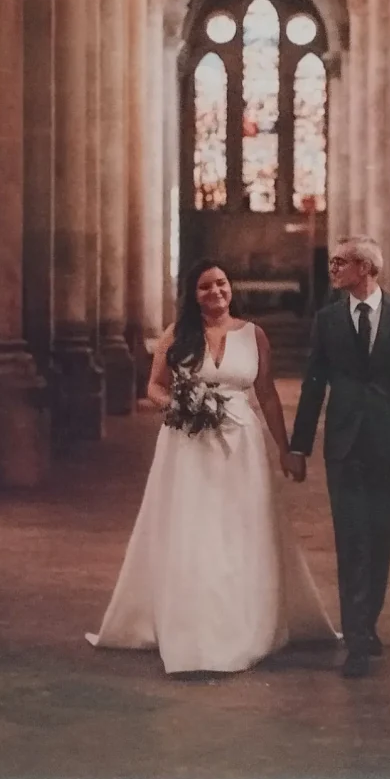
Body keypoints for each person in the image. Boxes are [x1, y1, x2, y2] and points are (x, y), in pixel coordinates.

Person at [89, 260, 337, 674]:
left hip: (243, 445)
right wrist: (179, 405)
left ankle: (247, 624)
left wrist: (286, 449)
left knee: (243, 528)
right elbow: (154, 385)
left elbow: (268, 395)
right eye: (205, 286)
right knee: (195, 529)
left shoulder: (253, 334)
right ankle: (194, 630)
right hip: (188, 444)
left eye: (221, 284)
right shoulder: (178, 334)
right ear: (194, 294)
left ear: (231, 289)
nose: (215, 292)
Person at [285, 235, 390, 679]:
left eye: (340, 263)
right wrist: (299, 445)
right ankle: (356, 643)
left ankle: (367, 624)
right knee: (352, 541)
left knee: (381, 538)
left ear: (366, 268)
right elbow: (314, 384)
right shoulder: (328, 319)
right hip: (344, 447)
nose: (332, 270)